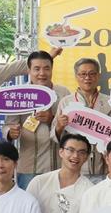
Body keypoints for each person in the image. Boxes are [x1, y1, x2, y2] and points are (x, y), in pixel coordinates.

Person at [6, 50, 71, 189]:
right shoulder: (19, 94)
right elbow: (8, 124)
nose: (42, 73)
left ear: (52, 69)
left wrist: (52, 119)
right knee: (28, 202)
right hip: (29, 167)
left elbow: (72, 128)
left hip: (57, 166)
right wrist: (10, 132)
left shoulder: (63, 93)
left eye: (46, 68)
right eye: (37, 69)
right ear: (28, 70)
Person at [53, 57, 111, 180]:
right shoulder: (66, 102)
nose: (87, 78)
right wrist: (59, 126)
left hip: (102, 166)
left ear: (98, 76)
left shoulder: (109, 102)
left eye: (92, 74)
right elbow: (54, 136)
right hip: (75, 166)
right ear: (76, 76)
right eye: (83, 74)